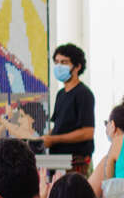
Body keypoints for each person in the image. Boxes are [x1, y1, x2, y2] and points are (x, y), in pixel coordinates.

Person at [41, 41, 96, 171]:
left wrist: (54, 140)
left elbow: (88, 132)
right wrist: (44, 139)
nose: (59, 66)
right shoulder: (61, 94)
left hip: (76, 161)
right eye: (56, 62)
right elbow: (59, 127)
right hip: (58, 159)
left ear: (77, 66)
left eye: (64, 62)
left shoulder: (84, 94)